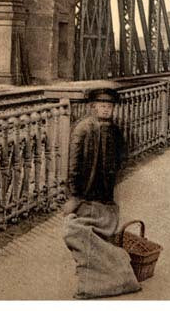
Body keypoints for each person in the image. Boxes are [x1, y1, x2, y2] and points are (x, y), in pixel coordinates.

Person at [63, 87, 141, 299]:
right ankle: (92, 275)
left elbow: (124, 154)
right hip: (86, 191)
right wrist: (74, 192)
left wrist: (116, 171)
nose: (106, 110)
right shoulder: (83, 128)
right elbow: (73, 163)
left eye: (109, 107)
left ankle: (100, 274)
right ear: (93, 107)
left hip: (105, 190)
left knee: (103, 230)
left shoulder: (115, 130)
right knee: (84, 231)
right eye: (102, 106)